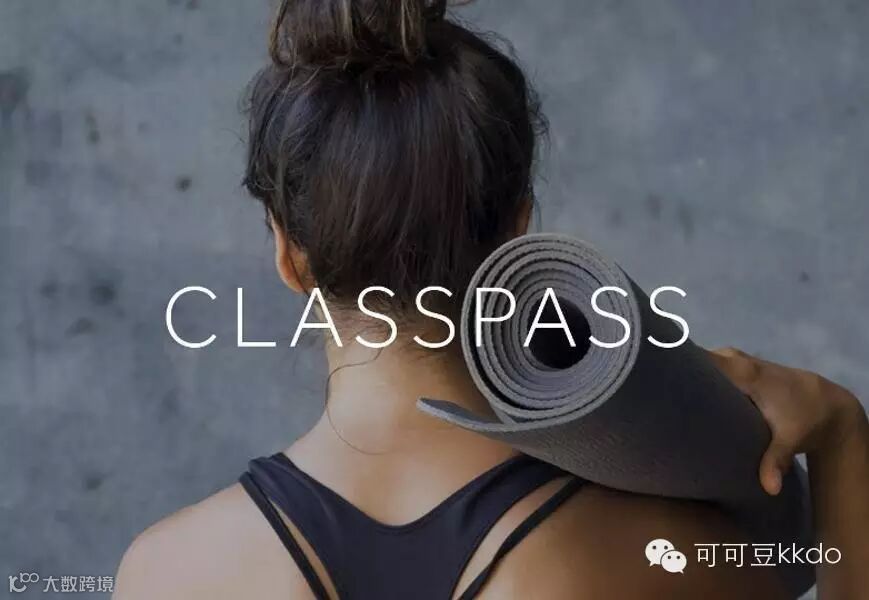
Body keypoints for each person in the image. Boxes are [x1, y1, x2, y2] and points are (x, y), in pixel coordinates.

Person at [114, 1, 869, 598]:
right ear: (518, 231)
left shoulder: (166, 573)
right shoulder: (669, 551)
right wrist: (840, 436)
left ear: (289, 254)